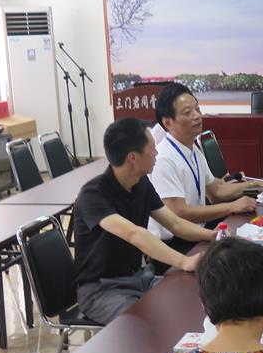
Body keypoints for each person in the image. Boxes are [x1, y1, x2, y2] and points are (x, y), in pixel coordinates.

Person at [73, 118, 214, 326]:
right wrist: (184, 261)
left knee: (189, 303)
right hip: (101, 290)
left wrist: (211, 236)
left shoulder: (140, 183)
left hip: (140, 278)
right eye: (152, 149)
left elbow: (174, 223)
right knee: (142, 325)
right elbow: (134, 234)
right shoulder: (93, 194)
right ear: (133, 157)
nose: (157, 153)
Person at [148, 83, 257, 261]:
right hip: (177, 244)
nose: (197, 116)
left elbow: (217, 191)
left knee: (250, 231)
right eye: (187, 113)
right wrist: (232, 206)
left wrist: (260, 184)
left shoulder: (192, 149)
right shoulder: (164, 159)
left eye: (197, 109)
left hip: (197, 231)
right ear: (168, 122)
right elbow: (179, 212)